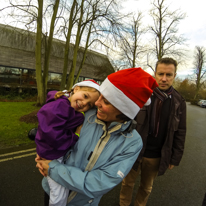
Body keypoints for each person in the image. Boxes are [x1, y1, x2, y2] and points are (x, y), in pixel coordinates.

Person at [35, 67, 158, 206]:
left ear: (124, 111)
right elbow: (52, 125)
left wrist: (53, 168)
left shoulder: (132, 143)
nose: (97, 103)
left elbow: (98, 183)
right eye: (100, 96)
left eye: (106, 101)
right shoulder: (84, 113)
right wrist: (44, 152)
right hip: (51, 191)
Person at [119, 57, 187, 206]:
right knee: (127, 183)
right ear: (155, 73)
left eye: (168, 75)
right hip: (133, 151)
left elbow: (180, 131)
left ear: (174, 76)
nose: (164, 79)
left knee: (146, 188)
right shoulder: (142, 93)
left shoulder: (179, 101)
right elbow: (124, 119)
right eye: (160, 74)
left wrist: (175, 157)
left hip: (156, 155)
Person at [35, 79, 100, 206]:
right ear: (76, 89)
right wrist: (75, 136)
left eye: (90, 105)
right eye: (85, 96)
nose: (84, 103)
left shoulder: (67, 107)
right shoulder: (60, 106)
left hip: (53, 153)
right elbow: (52, 135)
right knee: (59, 194)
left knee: (60, 189)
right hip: (52, 155)